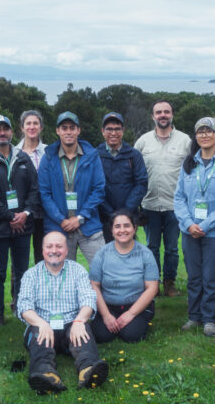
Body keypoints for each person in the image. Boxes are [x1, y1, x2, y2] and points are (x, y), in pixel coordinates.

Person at [17, 231, 109, 394]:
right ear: (43, 249)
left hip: (70, 326)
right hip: (42, 324)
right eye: (49, 246)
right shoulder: (31, 275)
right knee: (39, 335)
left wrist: (79, 321)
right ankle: (47, 376)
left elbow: (88, 298)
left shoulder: (78, 270)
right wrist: (40, 323)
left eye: (59, 246)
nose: (54, 250)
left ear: (66, 250)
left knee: (83, 330)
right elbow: (24, 306)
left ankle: (87, 371)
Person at [174, 118, 215, 337]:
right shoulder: (188, 163)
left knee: (211, 276)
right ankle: (194, 316)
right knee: (194, 276)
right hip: (189, 230)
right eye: (199, 131)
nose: (204, 135)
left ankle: (210, 319)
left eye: (208, 131)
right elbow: (179, 198)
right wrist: (189, 224)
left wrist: (205, 225)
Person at [0, 114, 41, 327]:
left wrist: (26, 213)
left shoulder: (23, 157)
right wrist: (11, 216)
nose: (2, 133)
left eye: (5, 129)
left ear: (12, 132)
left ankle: (21, 308)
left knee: (22, 270)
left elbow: (35, 189)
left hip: (23, 225)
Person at [133, 100, 190, 297]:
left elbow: (192, 172)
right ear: (153, 116)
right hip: (149, 205)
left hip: (176, 206)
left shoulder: (185, 141)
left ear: (172, 114)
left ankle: (170, 283)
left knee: (173, 248)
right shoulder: (142, 142)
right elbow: (134, 172)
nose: (163, 115)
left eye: (166, 111)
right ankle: (153, 283)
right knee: (151, 247)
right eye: (159, 112)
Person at [37, 111, 106, 264]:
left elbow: (99, 189)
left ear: (78, 130)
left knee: (103, 270)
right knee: (59, 275)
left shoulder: (92, 156)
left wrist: (80, 217)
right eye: (64, 128)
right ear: (58, 131)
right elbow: (44, 194)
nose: (68, 131)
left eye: (72, 127)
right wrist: (61, 220)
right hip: (58, 227)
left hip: (88, 225)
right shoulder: (48, 158)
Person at [89, 210, 158, 344]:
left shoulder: (146, 254)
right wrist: (106, 315)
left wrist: (131, 314)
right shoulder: (102, 253)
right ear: (111, 230)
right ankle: (110, 321)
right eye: (117, 226)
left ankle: (133, 322)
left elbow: (152, 288)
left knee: (131, 335)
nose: (122, 230)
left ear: (135, 228)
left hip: (136, 306)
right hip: (108, 306)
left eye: (127, 226)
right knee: (101, 336)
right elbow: (94, 285)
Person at [95, 112, 148, 242]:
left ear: (123, 131)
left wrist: (125, 212)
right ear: (103, 131)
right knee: (106, 254)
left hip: (129, 217)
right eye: (109, 129)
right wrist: (110, 213)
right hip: (104, 217)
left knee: (129, 254)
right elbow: (93, 186)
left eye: (117, 129)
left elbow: (141, 183)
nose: (113, 133)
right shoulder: (94, 155)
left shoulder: (134, 155)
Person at [16, 110, 47, 266]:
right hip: (23, 212)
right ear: (22, 127)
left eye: (35, 123)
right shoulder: (13, 152)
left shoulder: (49, 151)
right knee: (19, 260)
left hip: (45, 212)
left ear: (41, 127)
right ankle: (18, 291)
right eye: (28, 123)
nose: (32, 127)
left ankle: (43, 289)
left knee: (43, 256)